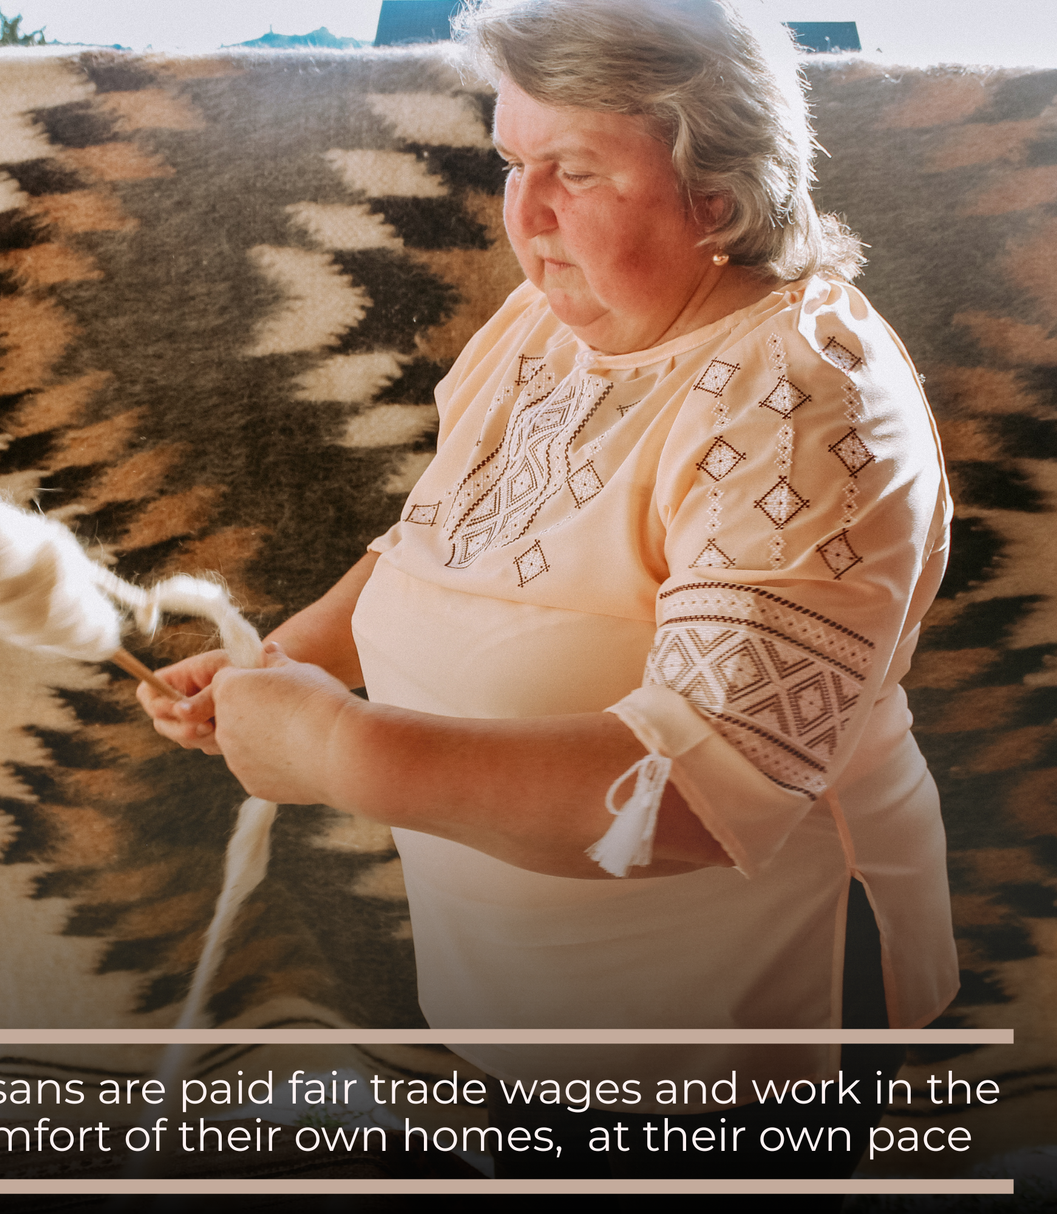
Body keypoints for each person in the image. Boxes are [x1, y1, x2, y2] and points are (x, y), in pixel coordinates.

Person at [138, 0, 958, 1184]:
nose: (522, 218)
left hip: (726, 1043)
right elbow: (441, 534)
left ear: (715, 195)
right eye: (512, 161)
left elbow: (695, 795)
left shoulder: (805, 408)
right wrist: (290, 657)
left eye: (572, 170)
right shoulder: (552, 317)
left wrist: (331, 750)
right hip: (538, 1005)